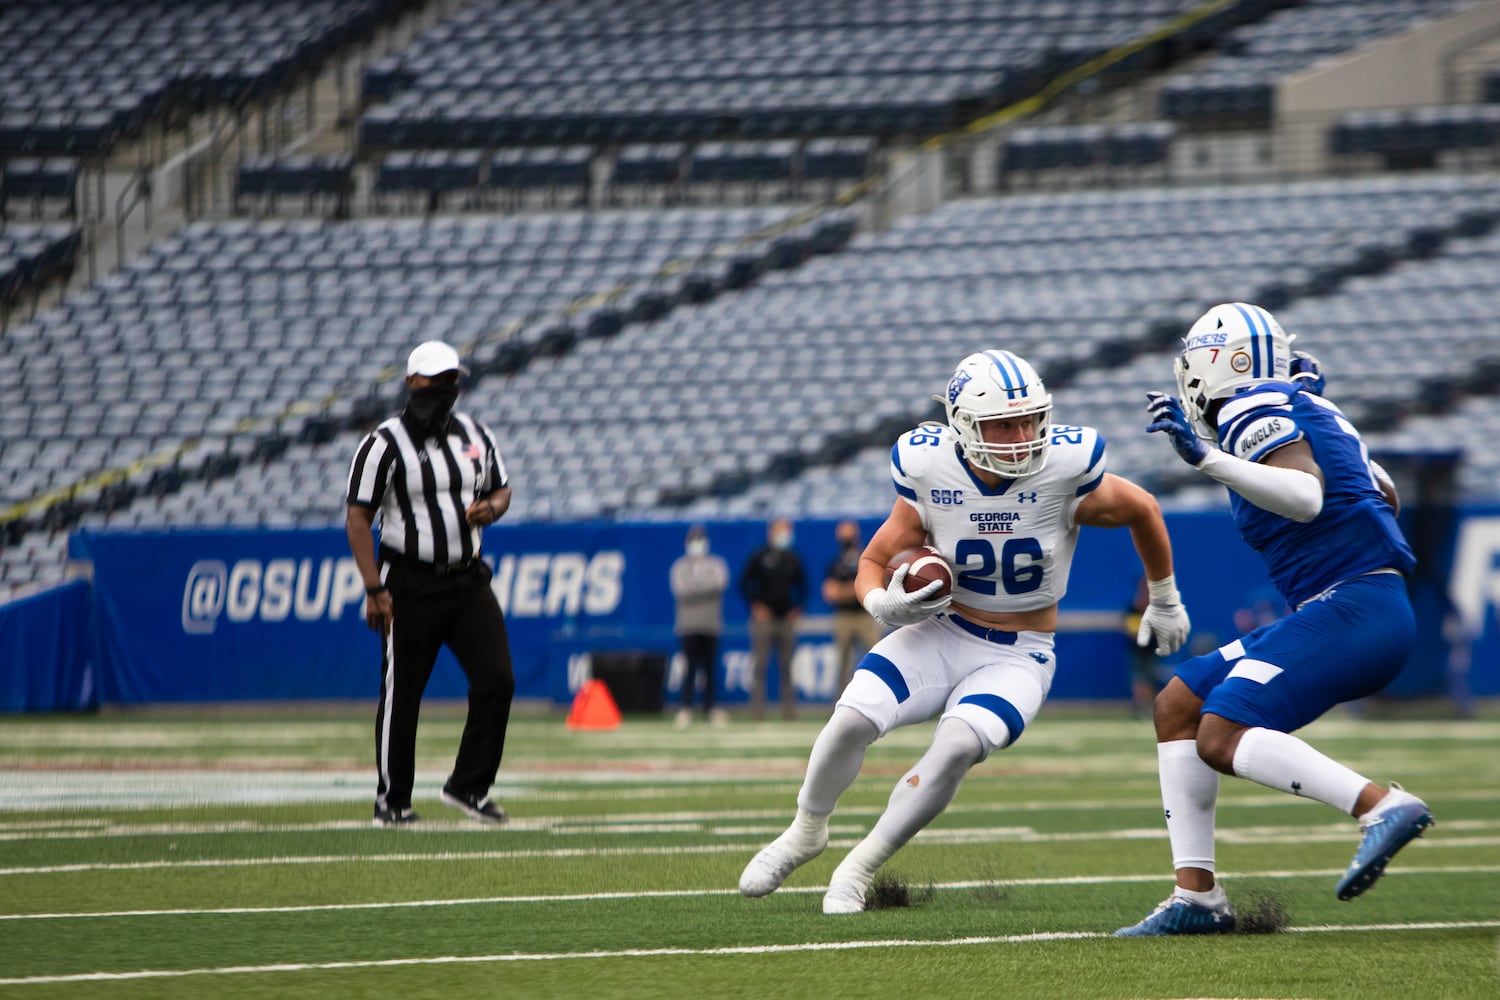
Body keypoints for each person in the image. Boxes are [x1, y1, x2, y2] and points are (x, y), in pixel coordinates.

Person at [739, 349, 1192, 913]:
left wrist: (1166, 598)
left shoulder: (1064, 466)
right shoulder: (930, 469)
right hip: (942, 631)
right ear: (964, 425)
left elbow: (1143, 508)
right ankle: (807, 829)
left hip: (1020, 653)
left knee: (956, 745)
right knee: (849, 719)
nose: (1023, 435)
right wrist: (883, 603)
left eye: (1031, 419)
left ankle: (858, 869)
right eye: (1005, 424)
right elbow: (873, 561)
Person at [1116, 303, 1433, 937]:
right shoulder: (1310, 409)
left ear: (1225, 361)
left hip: (1350, 605)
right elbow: (1385, 496)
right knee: (1178, 704)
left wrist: (1206, 458)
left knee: (1220, 734)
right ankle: (1196, 898)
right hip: (1360, 603)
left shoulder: (1248, 405)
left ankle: (1379, 805)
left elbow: (1306, 496)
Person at [345, 340, 516, 828]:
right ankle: (392, 800)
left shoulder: (474, 434)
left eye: (450, 381)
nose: (443, 391)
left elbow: (501, 488)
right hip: (409, 581)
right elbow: (359, 517)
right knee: (404, 693)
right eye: (433, 382)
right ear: (411, 384)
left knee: (497, 679)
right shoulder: (383, 442)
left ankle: (468, 787)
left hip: (467, 578)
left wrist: (493, 508)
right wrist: (375, 588)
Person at [739, 517, 808, 721]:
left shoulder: (793, 557)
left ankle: (789, 713)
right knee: (760, 666)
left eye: (787, 530)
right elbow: (743, 583)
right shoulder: (760, 555)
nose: (784, 534)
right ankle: (757, 713)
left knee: (787, 667)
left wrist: (797, 608)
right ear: (771, 532)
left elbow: (804, 585)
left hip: (785, 619)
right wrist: (756, 605)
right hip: (764, 620)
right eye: (781, 530)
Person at [670, 524, 730, 728]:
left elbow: (720, 584)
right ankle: (686, 707)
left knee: (710, 669)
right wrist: (704, 589)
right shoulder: (680, 566)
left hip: (711, 624)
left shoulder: (716, 564)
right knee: (690, 668)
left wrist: (695, 588)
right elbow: (681, 589)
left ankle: (710, 707)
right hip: (688, 625)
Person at [823, 520, 884, 696]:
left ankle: (877, 698)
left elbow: (875, 585)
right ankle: (841, 702)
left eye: (849, 535)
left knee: (876, 658)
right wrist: (856, 588)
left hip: (866, 615)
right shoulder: (835, 564)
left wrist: (846, 590)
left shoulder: (866, 560)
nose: (847, 539)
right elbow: (830, 593)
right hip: (844, 617)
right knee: (843, 662)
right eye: (844, 536)